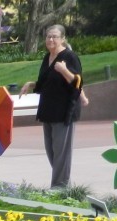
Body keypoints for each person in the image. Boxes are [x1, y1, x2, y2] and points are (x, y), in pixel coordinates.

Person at [20, 25, 84, 189]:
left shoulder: (69, 57)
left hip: (64, 112)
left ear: (63, 39)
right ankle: (61, 185)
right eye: (48, 36)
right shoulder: (47, 57)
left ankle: (59, 187)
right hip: (48, 111)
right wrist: (31, 84)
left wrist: (64, 70)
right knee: (52, 151)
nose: (50, 40)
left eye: (55, 36)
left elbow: (78, 82)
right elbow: (44, 83)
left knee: (61, 152)